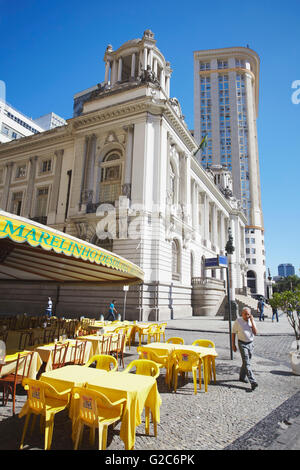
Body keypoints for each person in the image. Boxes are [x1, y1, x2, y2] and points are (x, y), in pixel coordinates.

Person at [232, 307, 258, 391]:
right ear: (241, 314)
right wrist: (233, 345)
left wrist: (252, 322)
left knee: (246, 362)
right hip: (242, 343)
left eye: (248, 314)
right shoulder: (238, 321)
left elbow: (255, 333)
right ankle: (253, 381)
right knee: (246, 362)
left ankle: (241, 377)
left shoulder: (251, 321)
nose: (247, 316)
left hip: (250, 343)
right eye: (245, 314)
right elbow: (233, 333)